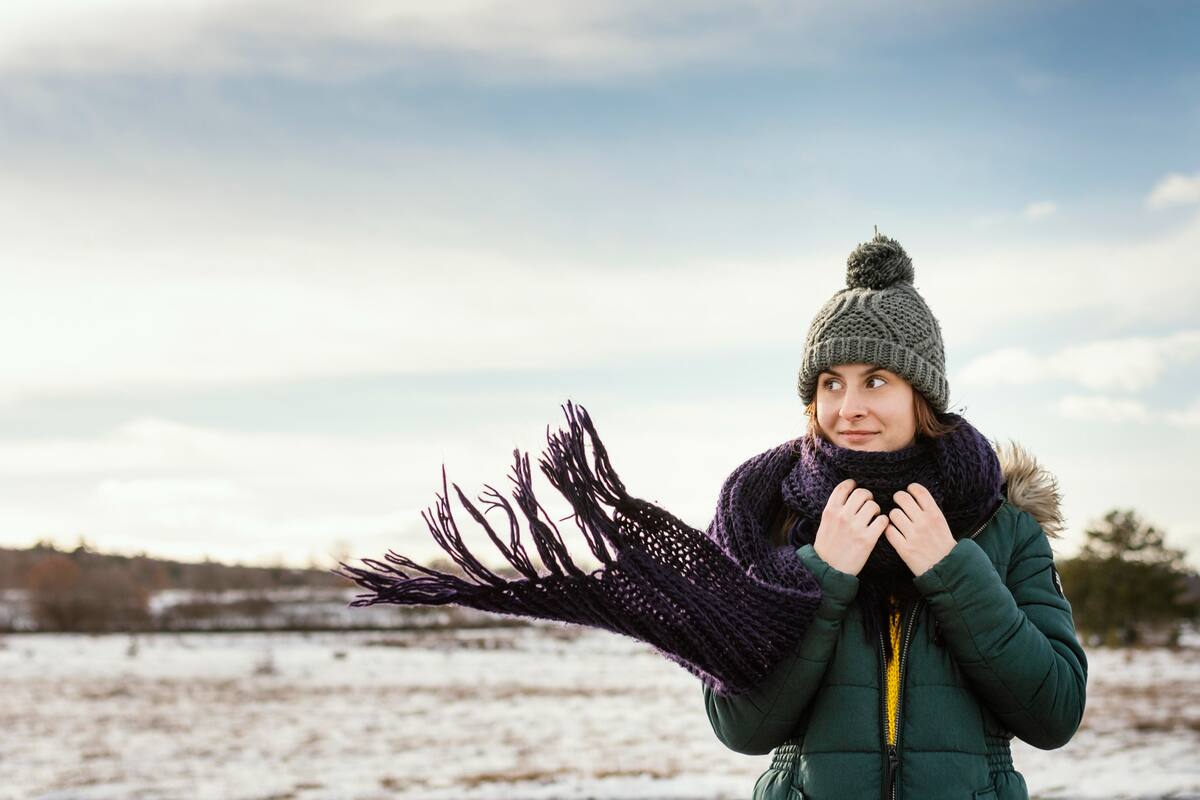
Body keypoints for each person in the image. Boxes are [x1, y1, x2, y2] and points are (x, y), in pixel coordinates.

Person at [702, 231, 1088, 800]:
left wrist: (953, 570)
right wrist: (823, 576)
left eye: (875, 381)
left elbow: (1055, 713)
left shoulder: (1003, 527)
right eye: (831, 383)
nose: (848, 407)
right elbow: (742, 727)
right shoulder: (770, 526)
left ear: (921, 395)